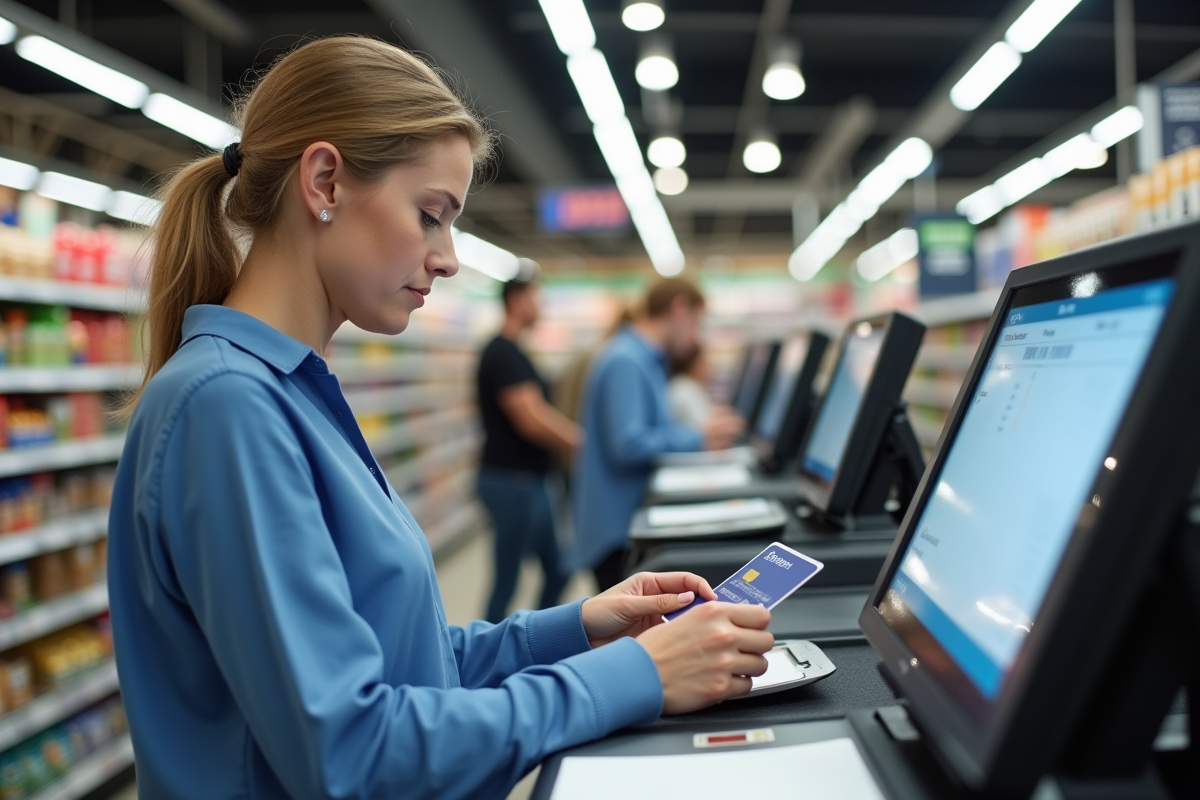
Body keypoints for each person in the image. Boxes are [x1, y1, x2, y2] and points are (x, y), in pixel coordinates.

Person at [106, 37, 773, 800]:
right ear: (323, 181)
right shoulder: (226, 408)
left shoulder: (288, 392)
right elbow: (352, 757)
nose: (449, 257)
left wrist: (582, 627)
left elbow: (407, 662)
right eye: (430, 216)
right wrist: (636, 677)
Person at [573, 279, 745, 591]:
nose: (696, 338)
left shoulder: (644, 360)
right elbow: (628, 444)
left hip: (628, 522)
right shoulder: (626, 360)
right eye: (697, 322)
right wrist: (698, 435)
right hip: (617, 532)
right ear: (679, 309)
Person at [476, 273, 579, 622]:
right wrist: (581, 442)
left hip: (526, 481)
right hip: (513, 482)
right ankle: (488, 661)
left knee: (558, 569)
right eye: (537, 297)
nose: (541, 306)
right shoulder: (503, 352)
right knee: (507, 579)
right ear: (518, 300)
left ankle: (537, 641)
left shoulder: (515, 351)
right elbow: (531, 419)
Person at [667, 344, 714, 428]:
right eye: (704, 361)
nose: (710, 366)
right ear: (695, 364)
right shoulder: (685, 389)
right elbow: (706, 428)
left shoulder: (686, 385)